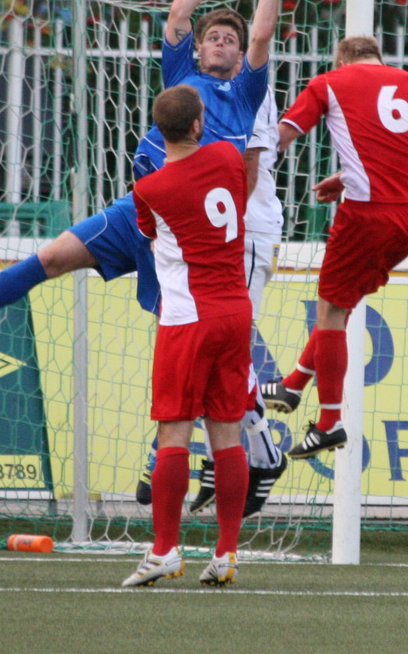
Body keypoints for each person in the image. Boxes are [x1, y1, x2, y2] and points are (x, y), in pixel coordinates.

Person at [0, 0, 290, 516]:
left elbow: (265, 34)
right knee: (52, 258)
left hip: (187, 245)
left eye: (231, 39)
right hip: (136, 211)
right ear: (196, 46)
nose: (221, 41)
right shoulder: (181, 75)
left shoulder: (246, 92)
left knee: (191, 352)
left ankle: (195, 455)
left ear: (241, 55)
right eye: (213, 35)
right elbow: (176, 13)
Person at [259, 36, 408, 459]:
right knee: (344, 302)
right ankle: (295, 383)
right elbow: (391, 150)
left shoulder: (329, 82)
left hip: (368, 216)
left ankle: (329, 423)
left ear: (341, 59)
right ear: (379, 58)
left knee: (331, 311)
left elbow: (281, 137)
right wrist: (345, 177)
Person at [122, 84, 253, 587]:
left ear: (160, 131)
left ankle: (164, 551)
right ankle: (225, 553)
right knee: (227, 431)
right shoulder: (226, 156)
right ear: (199, 124)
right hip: (235, 312)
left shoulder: (150, 189)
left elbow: (152, 233)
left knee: (174, 429)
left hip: (188, 317)